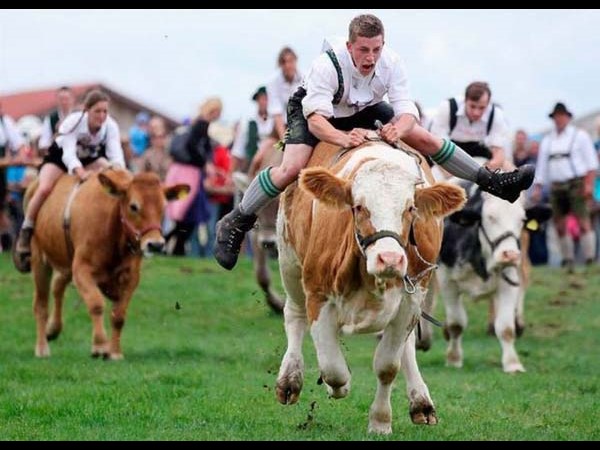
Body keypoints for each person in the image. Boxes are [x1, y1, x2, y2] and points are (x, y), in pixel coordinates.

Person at [214, 13, 535, 270]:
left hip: (362, 107)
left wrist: (399, 128)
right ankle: (238, 220)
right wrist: (343, 137)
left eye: (376, 49)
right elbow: (316, 121)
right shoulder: (326, 66)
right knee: (290, 168)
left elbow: (408, 111)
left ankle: (493, 182)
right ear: (350, 46)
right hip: (317, 112)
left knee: (420, 135)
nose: (370, 57)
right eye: (363, 50)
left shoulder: (392, 63)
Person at [13, 89, 126, 272]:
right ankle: (26, 230)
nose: (102, 116)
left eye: (105, 111)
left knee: (113, 175)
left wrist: (122, 176)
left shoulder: (110, 126)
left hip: (89, 160)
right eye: (98, 111)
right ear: (87, 110)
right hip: (60, 160)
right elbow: (69, 154)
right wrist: (80, 173)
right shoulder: (73, 122)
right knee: (44, 188)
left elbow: (116, 156)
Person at [532, 102, 598, 271]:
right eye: (556, 116)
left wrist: (588, 184)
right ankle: (567, 260)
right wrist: (538, 188)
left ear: (568, 117)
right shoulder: (548, 140)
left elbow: (591, 164)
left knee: (583, 220)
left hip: (576, 183)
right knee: (559, 223)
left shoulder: (580, 136)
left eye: (562, 116)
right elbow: (542, 167)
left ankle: (589, 258)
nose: (559, 119)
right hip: (556, 185)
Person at [430, 81, 510, 170]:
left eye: (482, 108)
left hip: (479, 148)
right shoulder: (448, 107)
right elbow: (437, 144)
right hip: (450, 148)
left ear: (488, 104)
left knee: (510, 168)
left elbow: (498, 151)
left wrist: (487, 169)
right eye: (472, 106)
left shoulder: (496, 114)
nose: (476, 113)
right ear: (465, 100)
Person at [267, 47, 303, 141]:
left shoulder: (305, 78)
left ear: (295, 61)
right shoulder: (273, 82)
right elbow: (276, 112)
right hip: (281, 125)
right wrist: (283, 140)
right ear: (280, 64)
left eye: (290, 61)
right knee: (260, 155)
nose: (287, 65)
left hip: (303, 123)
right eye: (284, 62)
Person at [37, 86, 76, 154]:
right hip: (57, 155)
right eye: (61, 99)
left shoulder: (79, 116)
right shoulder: (50, 119)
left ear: (73, 99)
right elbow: (43, 144)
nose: (64, 102)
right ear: (57, 100)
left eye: (66, 99)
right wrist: (54, 138)